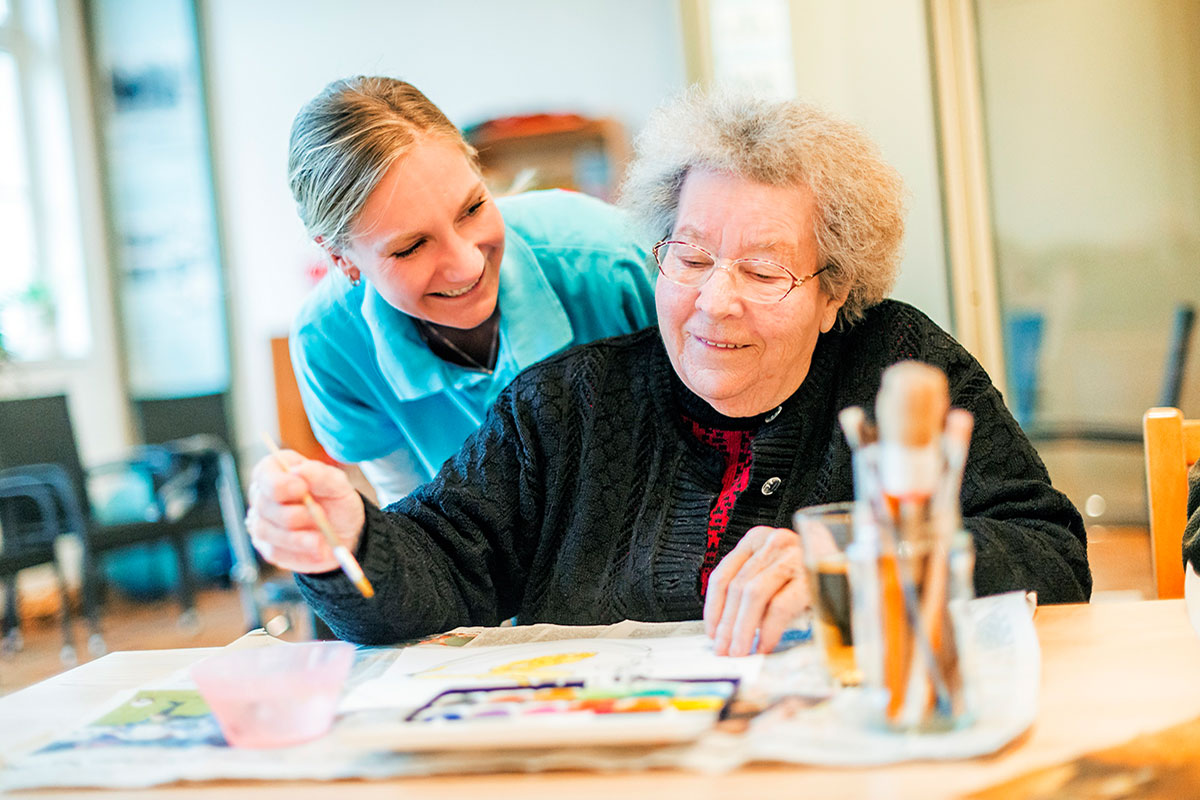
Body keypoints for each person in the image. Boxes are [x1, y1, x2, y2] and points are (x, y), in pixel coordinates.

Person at [249, 89, 1090, 657]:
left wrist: (856, 564)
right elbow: (439, 565)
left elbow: (1052, 552)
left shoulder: (899, 366)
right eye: (688, 259)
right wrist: (350, 539)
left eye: (763, 273)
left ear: (834, 291)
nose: (712, 303)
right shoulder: (564, 401)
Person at [286, 77, 657, 504]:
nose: (468, 265)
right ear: (340, 258)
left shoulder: (612, 262)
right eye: (411, 247)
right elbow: (415, 513)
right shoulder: (332, 346)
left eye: (474, 208)